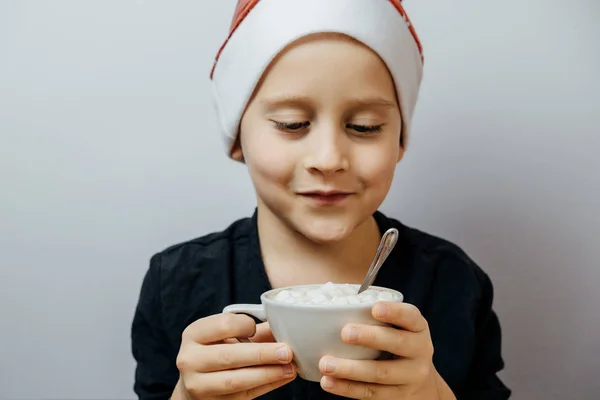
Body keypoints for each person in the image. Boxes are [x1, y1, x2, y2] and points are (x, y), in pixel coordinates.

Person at [131, 0, 512, 399]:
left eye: (365, 127)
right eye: (292, 124)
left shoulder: (454, 283)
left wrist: (433, 394)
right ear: (237, 138)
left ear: (399, 139)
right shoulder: (175, 283)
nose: (329, 159)